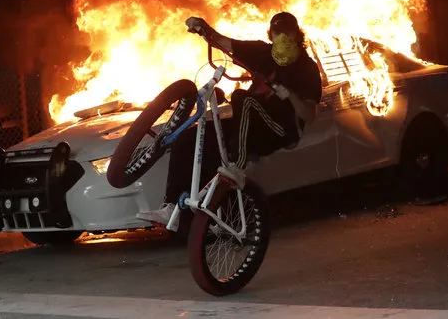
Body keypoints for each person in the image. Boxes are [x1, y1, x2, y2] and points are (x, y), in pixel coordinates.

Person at [137, 12, 323, 225]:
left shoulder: (306, 68)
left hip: (279, 130)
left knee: (243, 97)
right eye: (277, 33)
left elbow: (310, 114)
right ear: (271, 35)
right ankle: (171, 209)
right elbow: (225, 43)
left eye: (287, 33)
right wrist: (203, 28)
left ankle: (237, 166)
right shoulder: (262, 52)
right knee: (190, 138)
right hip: (246, 128)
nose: (281, 38)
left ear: (297, 35)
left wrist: (290, 95)